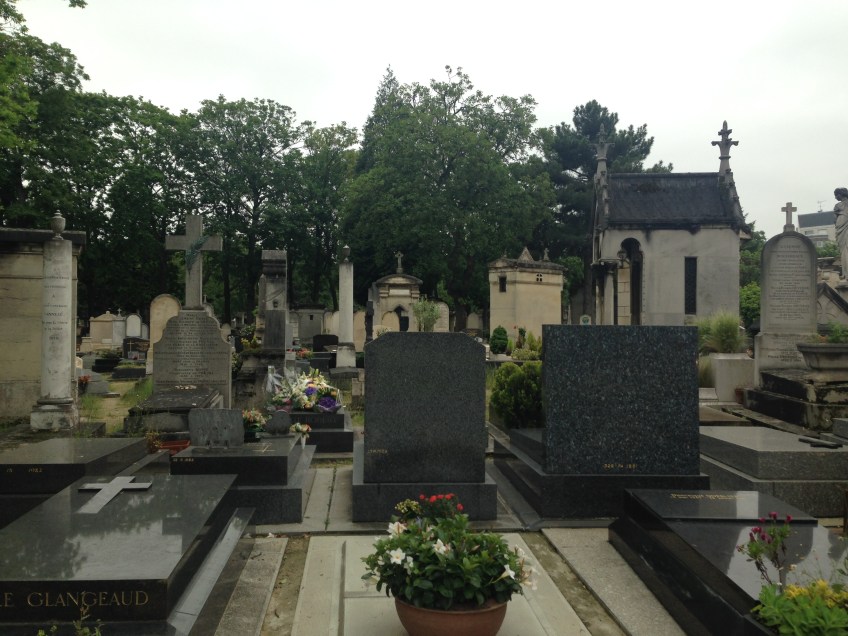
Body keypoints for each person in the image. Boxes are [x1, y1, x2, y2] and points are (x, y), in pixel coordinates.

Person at [835, 188, 848, 278]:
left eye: (836, 195)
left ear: (841, 194)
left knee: (844, 249)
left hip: (842, 223)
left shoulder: (838, 205)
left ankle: (846, 273)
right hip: (842, 225)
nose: (835, 197)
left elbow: (835, 220)